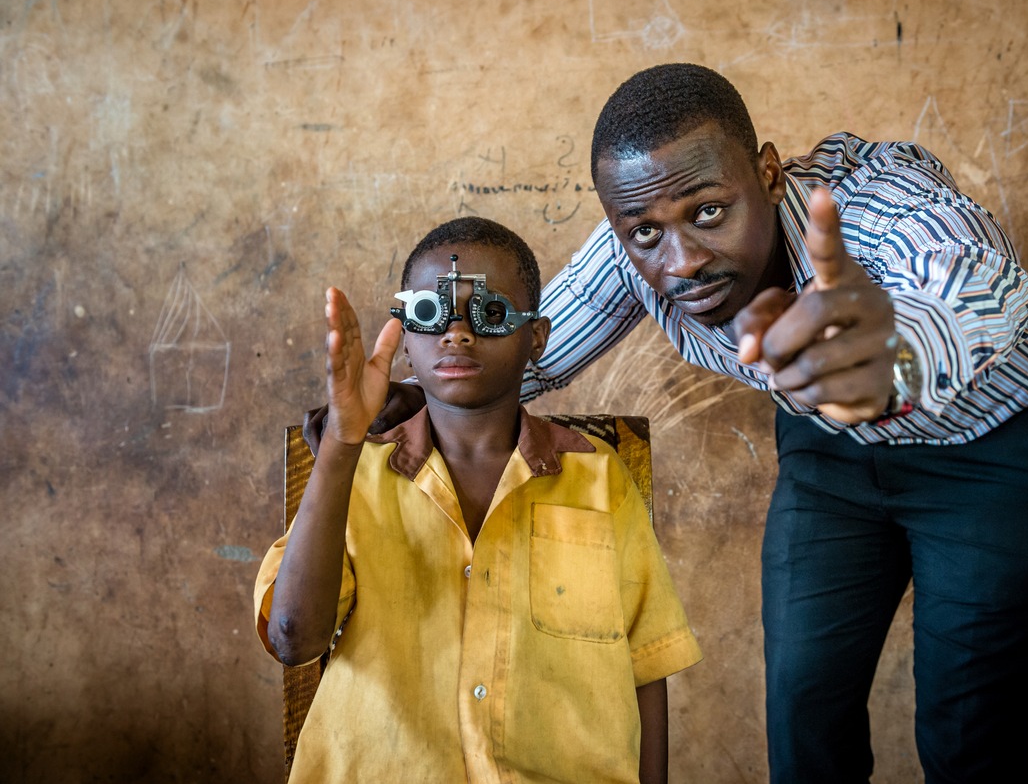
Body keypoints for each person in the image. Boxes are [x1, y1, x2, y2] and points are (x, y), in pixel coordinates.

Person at [308, 64, 1028, 783]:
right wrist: (418, 397)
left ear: (769, 175)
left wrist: (884, 358)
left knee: (969, 733)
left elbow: (987, 296)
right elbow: (530, 356)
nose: (679, 260)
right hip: (829, 461)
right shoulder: (635, 252)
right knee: (805, 712)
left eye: (709, 212)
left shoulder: (875, 204)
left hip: (987, 453)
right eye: (644, 231)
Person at [256, 216, 703, 783]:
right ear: (405, 331)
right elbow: (294, 638)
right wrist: (343, 443)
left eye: (488, 315)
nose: (456, 335)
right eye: (430, 314)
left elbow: (646, 667)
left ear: (536, 337)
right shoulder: (356, 477)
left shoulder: (598, 478)